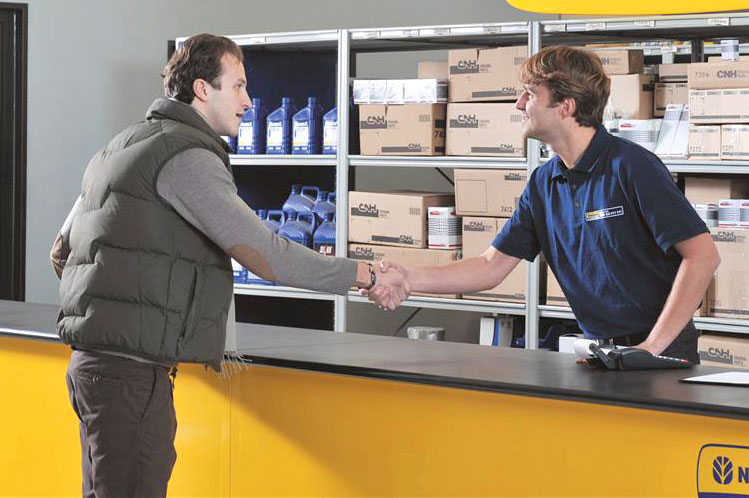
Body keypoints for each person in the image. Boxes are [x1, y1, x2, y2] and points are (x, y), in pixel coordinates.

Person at [50, 33, 407, 498]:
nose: (247, 101)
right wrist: (367, 275)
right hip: (129, 376)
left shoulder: (121, 145)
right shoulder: (186, 157)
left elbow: (61, 252)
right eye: (237, 87)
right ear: (202, 89)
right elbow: (268, 254)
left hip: (95, 367)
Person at [369, 45, 720, 363]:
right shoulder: (543, 182)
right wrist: (410, 277)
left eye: (529, 94)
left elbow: (703, 255)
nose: (519, 105)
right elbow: (490, 268)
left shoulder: (632, 167)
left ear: (566, 106)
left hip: (660, 353)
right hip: (602, 351)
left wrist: (649, 350)